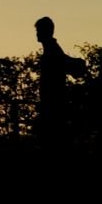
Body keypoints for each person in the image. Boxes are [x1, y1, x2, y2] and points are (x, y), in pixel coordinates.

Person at [34, 16, 84, 152]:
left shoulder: (52, 50)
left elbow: (67, 64)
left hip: (53, 106)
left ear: (47, 31)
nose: (36, 34)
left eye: (38, 30)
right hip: (52, 105)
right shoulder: (52, 49)